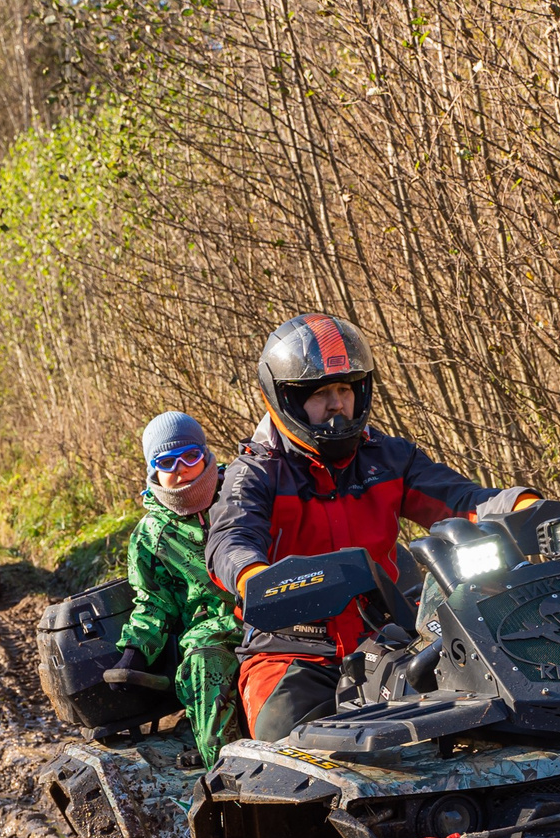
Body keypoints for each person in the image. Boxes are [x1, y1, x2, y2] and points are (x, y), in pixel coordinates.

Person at [206, 313, 527, 739]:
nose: (337, 403)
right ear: (284, 398)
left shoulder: (389, 458)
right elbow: (231, 537)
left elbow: (462, 499)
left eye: (343, 389)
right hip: (290, 651)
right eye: (319, 394)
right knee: (290, 755)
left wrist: (520, 505)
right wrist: (253, 576)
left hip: (386, 638)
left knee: (480, 726)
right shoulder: (257, 471)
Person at [110, 412, 240, 768]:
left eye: (190, 457)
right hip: (214, 630)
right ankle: (225, 771)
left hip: (271, 606)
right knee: (202, 664)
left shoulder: (244, 493)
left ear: (206, 455)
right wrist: (134, 651)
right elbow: (153, 602)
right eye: (166, 461)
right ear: (153, 470)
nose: (180, 468)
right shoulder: (150, 535)